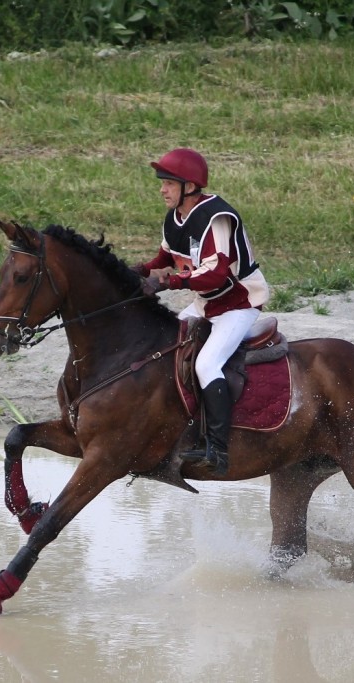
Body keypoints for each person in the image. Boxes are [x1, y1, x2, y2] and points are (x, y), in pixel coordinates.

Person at [132, 148, 270, 476]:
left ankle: (218, 448)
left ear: (189, 186)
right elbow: (163, 261)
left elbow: (216, 274)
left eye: (168, 183)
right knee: (160, 349)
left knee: (207, 364)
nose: (162, 189)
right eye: (162, 183)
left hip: (238, 305)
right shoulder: (175, 218)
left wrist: (174, 283)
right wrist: (135, 271)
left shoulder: (217, 218)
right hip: (206, 305)